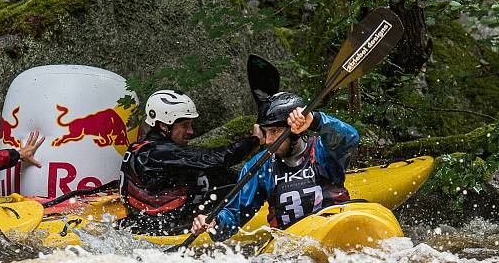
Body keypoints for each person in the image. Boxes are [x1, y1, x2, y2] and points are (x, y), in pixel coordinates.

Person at [191, 92, 359, 239]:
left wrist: (316, 120)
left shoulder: (323, 151)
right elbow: (235, 215)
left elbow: (350, 138)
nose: (269, 140)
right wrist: (215, 222)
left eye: (275, 131)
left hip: (335, 230)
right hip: (292, 245)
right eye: (265, 132)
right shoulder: (261, 167)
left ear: (295, 130)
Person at [119, 90, 260, 234]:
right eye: (185, 125)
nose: (191, 131)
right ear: (163, 125)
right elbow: (215, 159)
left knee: (221, 176)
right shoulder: (156, 152)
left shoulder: (146, 148)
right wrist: (254, 140)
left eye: (191, 125)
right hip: (162, 228)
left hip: (151, 220)